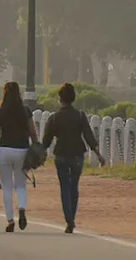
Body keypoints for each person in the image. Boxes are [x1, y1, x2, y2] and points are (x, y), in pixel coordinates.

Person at [41, 82, 106, 233]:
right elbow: (89, 137)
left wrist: (41, 155)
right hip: (77, 155)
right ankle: (72, 218)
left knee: (64, 186)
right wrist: (99, 155)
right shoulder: (80, 116)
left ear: (60, 99)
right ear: (73, 98)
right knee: (74, 187)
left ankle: (69, 219)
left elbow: (46, 141)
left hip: (61, 155)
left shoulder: (54, 118)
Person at [0, 81, 37, 232]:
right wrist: (36, 146)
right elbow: (32, 131)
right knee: (21, 185)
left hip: (4, 150)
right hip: (22, 150)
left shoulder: (0, 112)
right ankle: (21, 208)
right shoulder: (25, 111)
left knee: (7, 186)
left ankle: (10, 220)